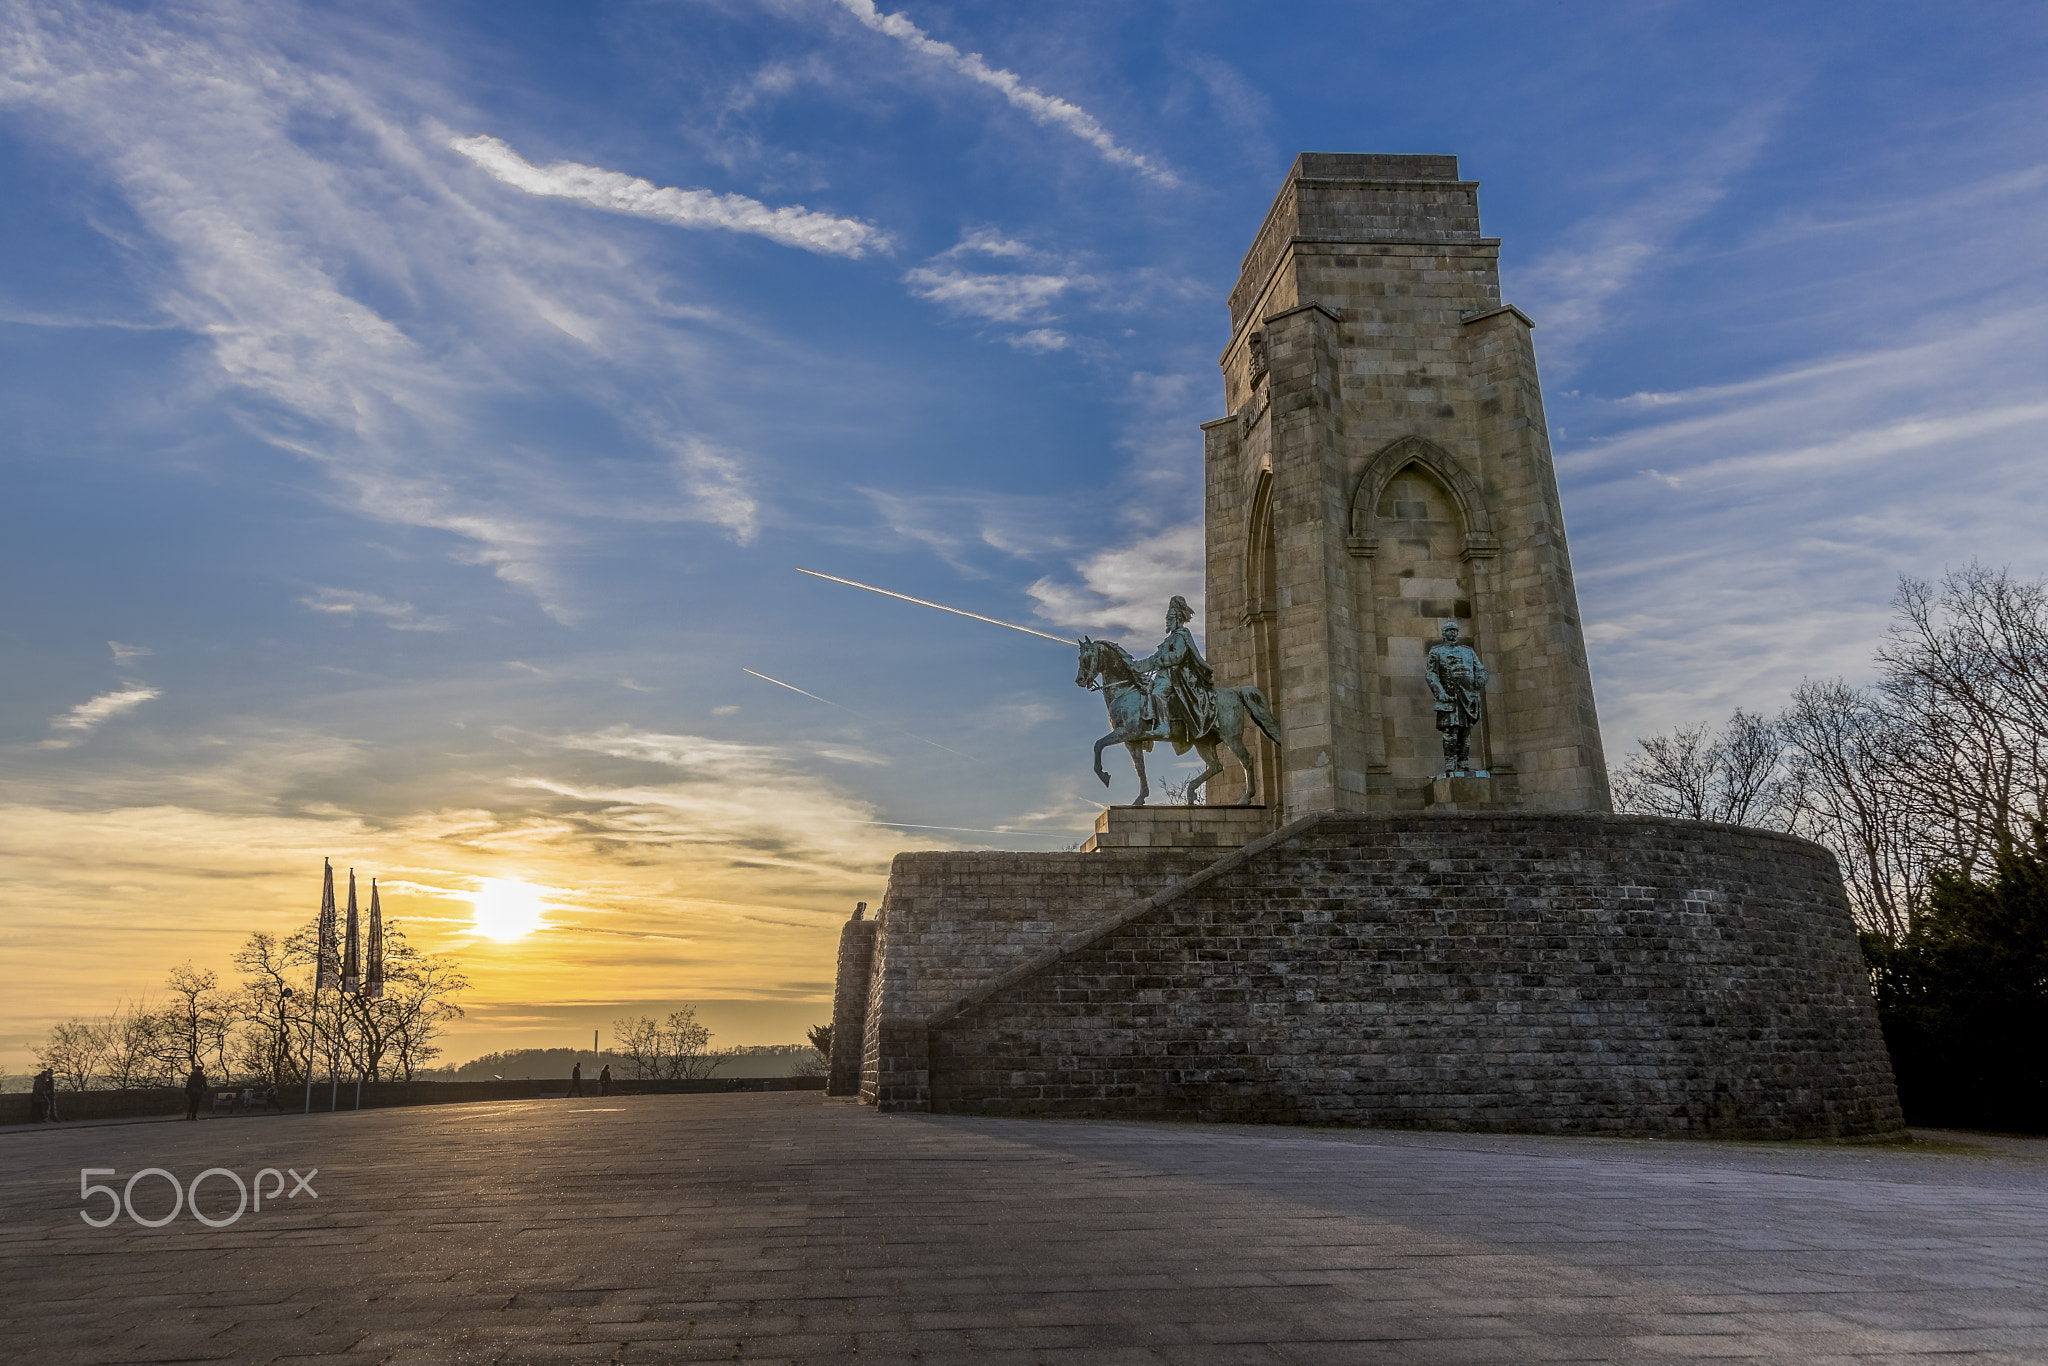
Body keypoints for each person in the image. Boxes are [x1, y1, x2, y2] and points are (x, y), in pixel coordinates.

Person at [1130, 595, 1217, 752]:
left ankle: (1163, 726)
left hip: (1178, 677)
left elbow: (1177, 656)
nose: (1167, 621)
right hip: (1165, 676)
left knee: (1157, 693)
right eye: (1167, 618)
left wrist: (1159, 660)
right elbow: (1152, 660)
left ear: (1178, 619)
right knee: (1144, 691)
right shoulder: (1169, 639)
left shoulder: (1182, 636)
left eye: (1170, 618)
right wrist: (1133, 666)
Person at [1425, 620, 1488, 775]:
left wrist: (1480, 679)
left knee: (1465, 732)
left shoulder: (1468, 652)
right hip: (1449, 697)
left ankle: (1463, 763)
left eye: (1454, 630)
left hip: (1468, 697)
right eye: (1449, 630)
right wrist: (1441, 693)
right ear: (1444, 633)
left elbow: (1480, 670)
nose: (1452, 633)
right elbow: (1431, 674)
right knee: (1450, 731)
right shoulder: (1436, 652)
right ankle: (1450, 763)